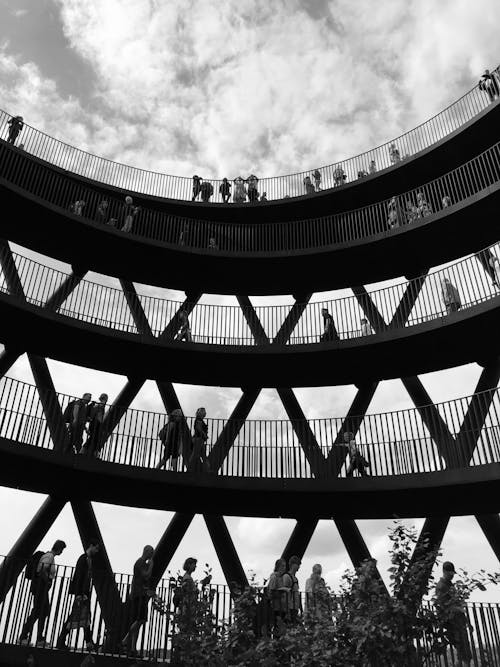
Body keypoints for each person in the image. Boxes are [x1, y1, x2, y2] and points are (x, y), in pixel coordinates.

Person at [19, 540, 67, 647]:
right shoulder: (49, 557)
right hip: (41, 587)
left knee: (40, 611)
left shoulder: (49, 556)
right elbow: (41, 569)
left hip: (41, 587)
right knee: (41, 611)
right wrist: (48, 581)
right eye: (62, 549)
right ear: (59, 548)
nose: (62, 552)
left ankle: (33, 637)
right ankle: (30, 637)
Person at [56, 540, 100, 651]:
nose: (97, 551)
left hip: (83, 592)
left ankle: (88, 642)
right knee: (78, 616)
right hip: (81, 593)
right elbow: (79, 576)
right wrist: (80, 593)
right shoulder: (84, 559)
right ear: (91, 545)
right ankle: (62, 641)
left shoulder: (87, 559)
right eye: (96, 548)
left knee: (83, 616)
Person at [435, 562, 472, 666]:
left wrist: (466, 621)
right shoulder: (441, 586)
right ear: (444, 571)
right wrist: (458, 609)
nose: (452, 575)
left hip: (459, 621)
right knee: (461, 650)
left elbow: (456, 603)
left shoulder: (450, 585)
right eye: (450, 573)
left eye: (453, 573)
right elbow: (443, 606)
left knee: (465, 651)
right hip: (452, 622)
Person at [122, 546, 155, 656]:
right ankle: (125, 641)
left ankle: (132, 649)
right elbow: (146, 576)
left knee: (139, 621)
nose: (152, 555)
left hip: (141, 594)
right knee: (140, 619)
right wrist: (151, 566)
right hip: (139, 594)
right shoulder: (140, 563)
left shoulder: (142, 563)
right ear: (147, 552)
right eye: (151, 552)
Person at [266, 558, 288, 634]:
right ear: (278, 567)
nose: (284, 568)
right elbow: (271, 592)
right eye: (282, 566)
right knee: (277, 627)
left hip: (281, 606)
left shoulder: (281, 577)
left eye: (285, 566)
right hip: (276, 606)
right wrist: (280, 591)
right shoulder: (274, 577)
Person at [282, 556, 302, 623]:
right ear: (293, 565)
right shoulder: (287, 577)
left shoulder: (295, 578)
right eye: (298, 565)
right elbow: (284, 593)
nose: (299, 567)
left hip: (294, 607)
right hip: (290, 608)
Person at [189, 407, 209, 472]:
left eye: (204, 411)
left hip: (199, 439)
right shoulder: (199, 420)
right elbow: (198, 428)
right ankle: (190, 469)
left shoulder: (199, 420)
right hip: (198, 439)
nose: (204, 412)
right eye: (202, 411)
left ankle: (207, 470)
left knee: (203, 456)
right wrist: (204, 435)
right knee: (196, 454)